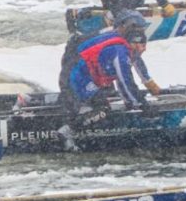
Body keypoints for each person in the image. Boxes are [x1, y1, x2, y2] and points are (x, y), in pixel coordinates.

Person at [56, 13, 160, 152]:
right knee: (102, 109)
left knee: (96, 96)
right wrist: (142, 106)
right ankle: (68, 129)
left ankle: (31, 100)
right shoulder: (120, 51)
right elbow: (126, 81)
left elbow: (128, 72)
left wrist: (144, 89)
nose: (143, 49)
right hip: (78, 75)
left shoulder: (125, 46)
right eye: (140, 44)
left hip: (83, 73)